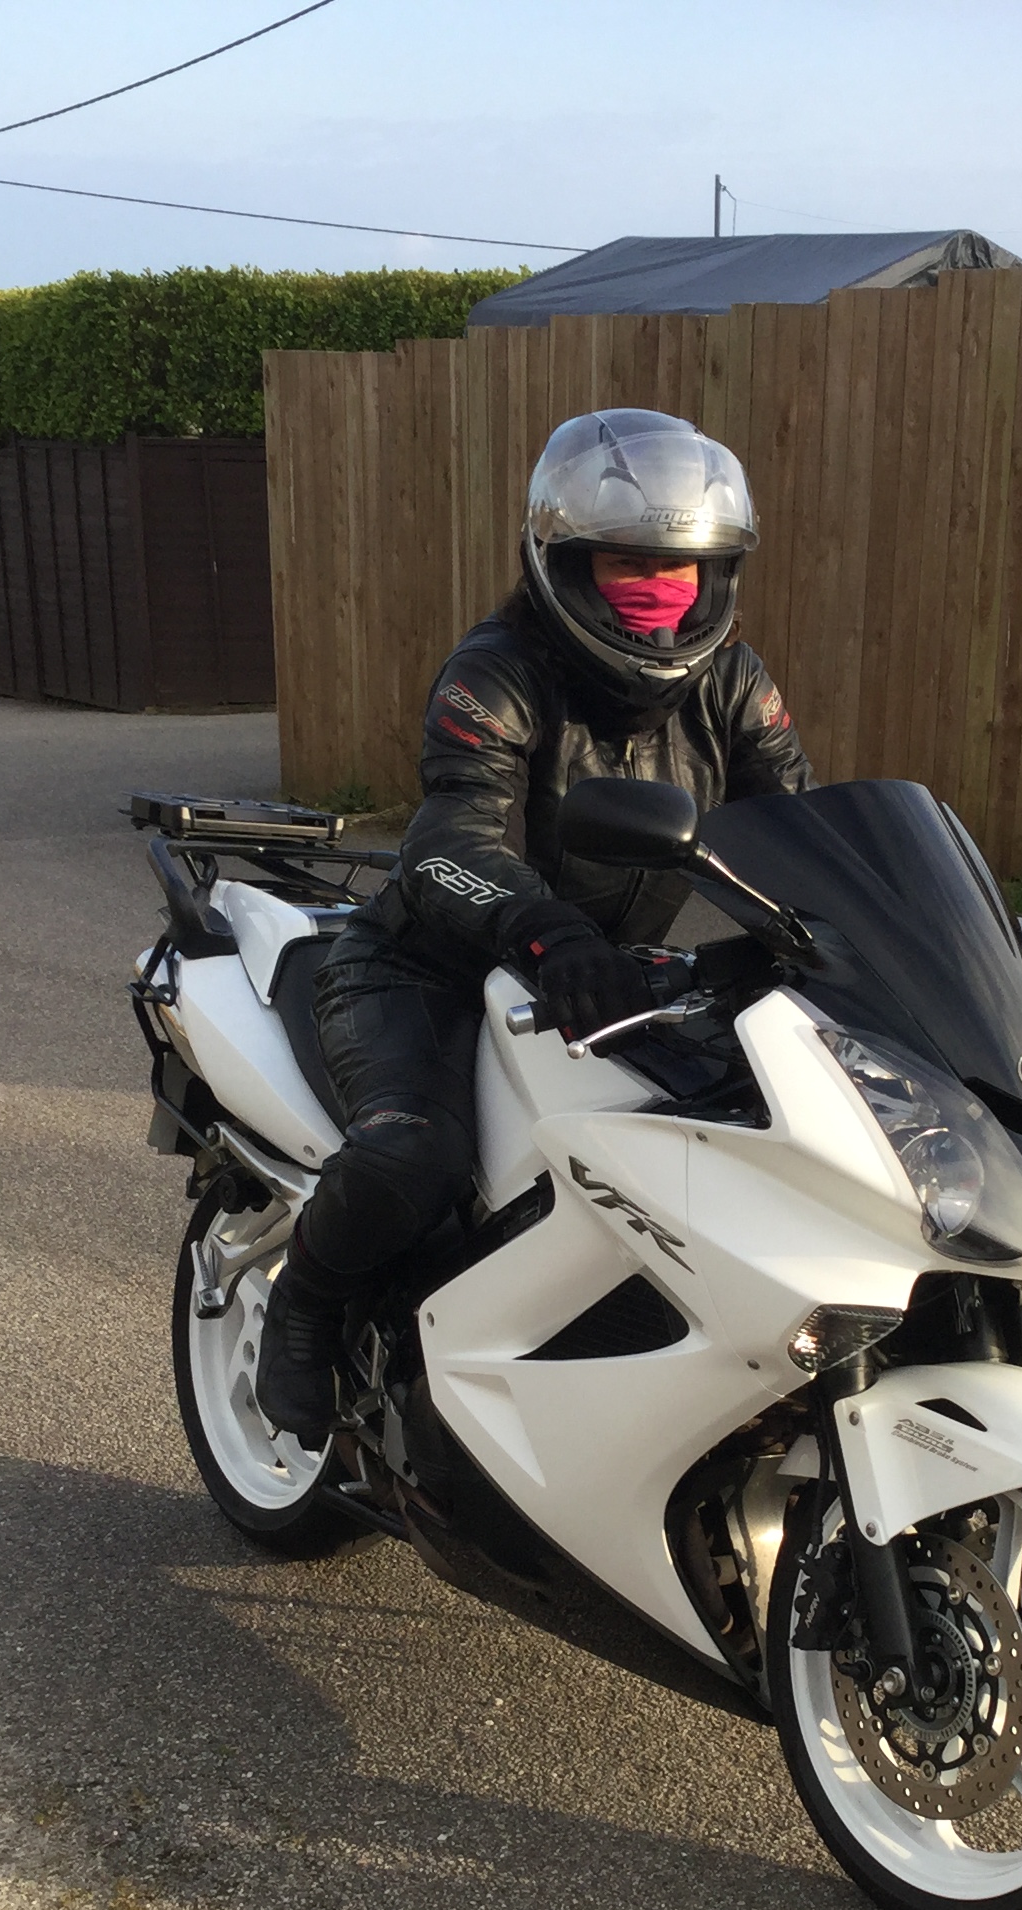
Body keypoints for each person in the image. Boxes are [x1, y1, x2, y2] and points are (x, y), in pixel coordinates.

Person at [253, 407, 814, 1444]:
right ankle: (305, 1307)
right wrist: (550, 933)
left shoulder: (732, 681)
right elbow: (448, 839)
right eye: (627, 564)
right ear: (562, 560)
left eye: (682, 568)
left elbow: (799, 828)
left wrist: (889, 936)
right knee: (414, 1160)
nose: (659, 591)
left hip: (609, 977)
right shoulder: (497, 669)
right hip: (430, 968)